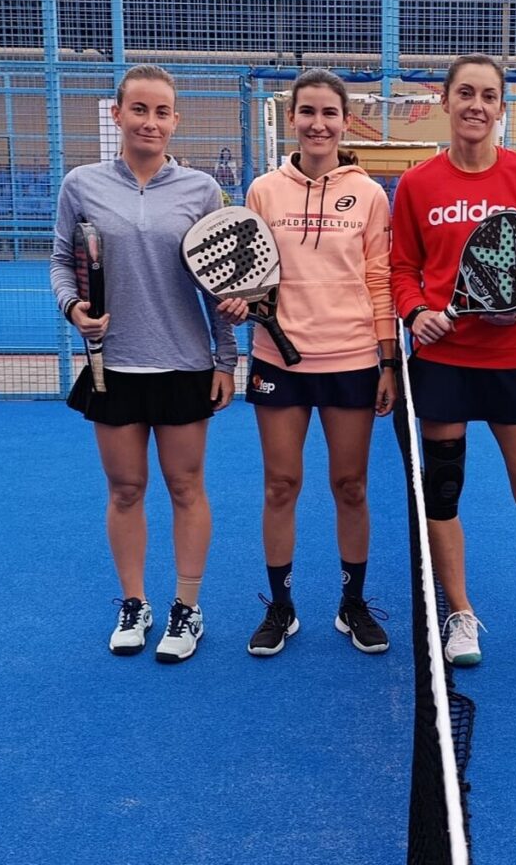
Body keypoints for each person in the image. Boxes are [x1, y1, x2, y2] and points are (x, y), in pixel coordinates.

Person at [391, 53, 516, 667]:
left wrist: (515, 312)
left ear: (502, 107)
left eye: (489, 95)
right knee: (444, 491)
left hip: (508, 361)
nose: (476, 105)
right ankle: (461, 613)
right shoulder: (418, 184)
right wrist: (418, 311)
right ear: (445, 102)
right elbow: (402, 269)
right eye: (465, 93)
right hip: (441, 362)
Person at [50, 65, 237, 664]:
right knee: (126, 489)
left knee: (186, 487)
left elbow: (219, 284)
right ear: (118, 114)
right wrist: (74, 306)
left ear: (175, 120)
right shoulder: (81, 185)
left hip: (185, 364)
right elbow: (60, 260)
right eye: (139, 110)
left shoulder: (202, 191)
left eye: (162, 112)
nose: (150, 122)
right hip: (115, 366)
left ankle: (186, 607)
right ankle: (135, 602)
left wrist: (225, 358)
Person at [217, 68, 397, 658]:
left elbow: (378, 279)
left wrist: (387, 360)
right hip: (278, 361)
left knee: (350, 485)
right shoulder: (264, 191)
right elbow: (252, 274)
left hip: (350, 361)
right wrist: (243, 304)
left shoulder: (369, 195)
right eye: (308, 112)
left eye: (330, 113)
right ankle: (282, 607)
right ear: (291, 119)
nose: (318, 123)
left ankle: (352, 604)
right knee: (280, 486)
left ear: (346, 123)